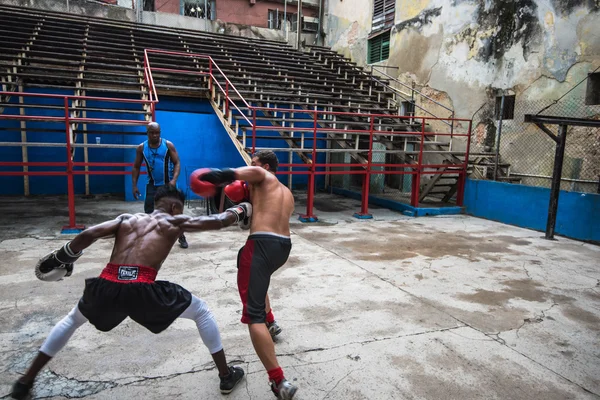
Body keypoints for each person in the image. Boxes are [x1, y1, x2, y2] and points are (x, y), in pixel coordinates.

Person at [10, 185, 251, 400]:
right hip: (142, 289)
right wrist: (241, 209)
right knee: (201, 311)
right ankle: (226, 375)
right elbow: (219, 221)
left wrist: (63, 257)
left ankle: (25, 382)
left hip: (107, 283)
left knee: (72, 320)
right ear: (175, 206)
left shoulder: (127, 218)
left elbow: (88, 234)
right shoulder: (175, 222)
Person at [197, 151, 298, 400]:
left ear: (264, 166)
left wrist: (206, 176)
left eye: (252, 164)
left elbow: (229, 175)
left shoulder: (261, 174)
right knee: (258, 283)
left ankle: (279, 382)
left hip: (261, 246)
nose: (249, 167)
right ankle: (271, 321)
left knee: (253, 316)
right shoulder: (285, 192)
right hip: (283, 247)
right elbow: (253, 214)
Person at [132, 122, 188, 249]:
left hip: (168, 184)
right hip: (152, 185)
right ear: (147, 133)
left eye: (157, 132)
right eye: (152, 132)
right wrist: (134, 185)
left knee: (175, 212)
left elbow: (177, 163)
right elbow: (136, 167)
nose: (155, 135)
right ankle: (149, 239)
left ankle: (181, 236)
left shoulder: (168, 145)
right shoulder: (141, 148)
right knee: (148, 213)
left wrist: (174, 180)